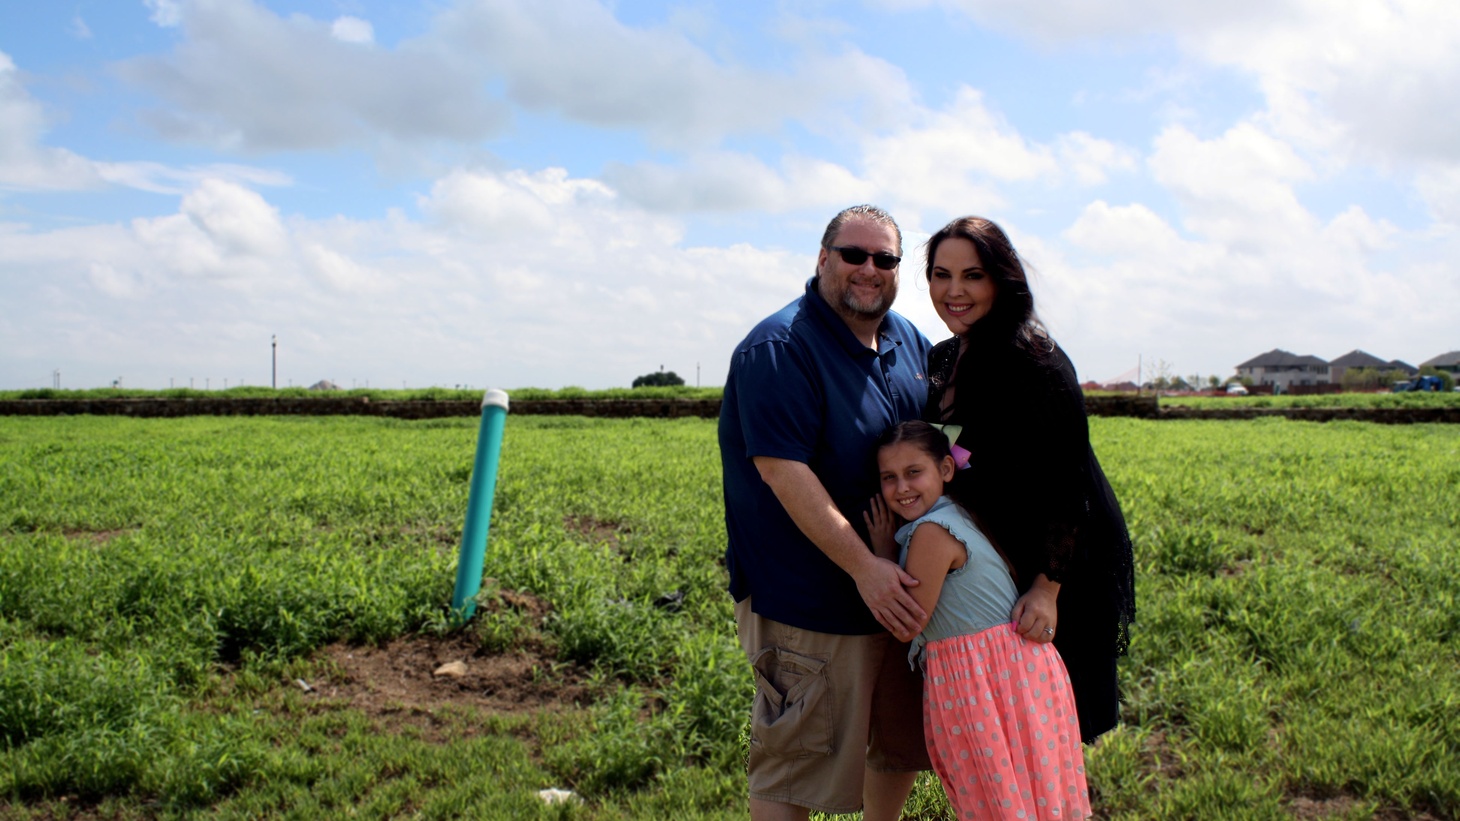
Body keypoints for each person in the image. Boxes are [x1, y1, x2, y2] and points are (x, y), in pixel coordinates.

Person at [719, 204, 933, 820]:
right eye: (853, 255)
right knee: (794, 766)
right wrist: (864, 566)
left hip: (897, 593)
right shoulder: (781, 347)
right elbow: (782, 471)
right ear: (821, 258)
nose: (869, 269)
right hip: (808, 600)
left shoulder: (906, 339)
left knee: (893, 745)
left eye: (885, 259)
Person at [921, 216, 1135, 743]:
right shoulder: (944, 357)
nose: (955, 291)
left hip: (1058, 566)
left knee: (1050, 728)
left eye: (972, 275)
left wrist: (1047, 587)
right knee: (1005, 729)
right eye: (941, 274)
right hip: (997, 558)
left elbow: (1070, 484)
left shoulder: (1034, 360)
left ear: (1002, 279)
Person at [866, 420, 1090, 819]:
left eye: (913, 472)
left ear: (946, 470)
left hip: (985, 682)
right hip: (1012, 675)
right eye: (889, 477)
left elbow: (907, 624)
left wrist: (880, 557)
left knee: (997, 803)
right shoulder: (954, 514)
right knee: (1032, 799)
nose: (901, 488)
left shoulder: (931, 534)